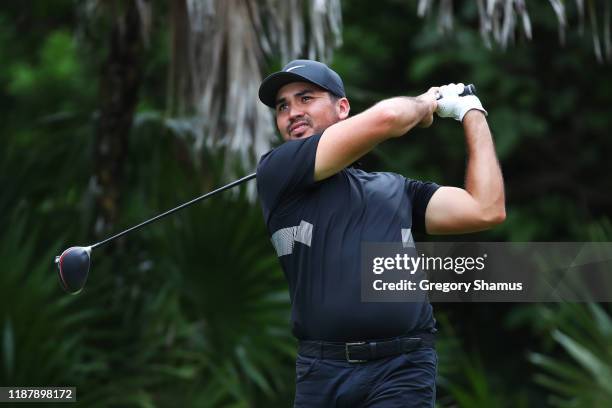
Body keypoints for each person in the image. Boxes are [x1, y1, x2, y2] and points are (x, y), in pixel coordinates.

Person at [255, 59, 505, 408]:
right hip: (321, 372)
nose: (293, 112)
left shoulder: (396, 189)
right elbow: (388, 118)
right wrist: (427, 102)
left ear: (342, 108)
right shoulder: (277, 172)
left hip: (402, 368)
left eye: (305, 98)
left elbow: (486, 208)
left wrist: (472, 113)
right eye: (283, 106)